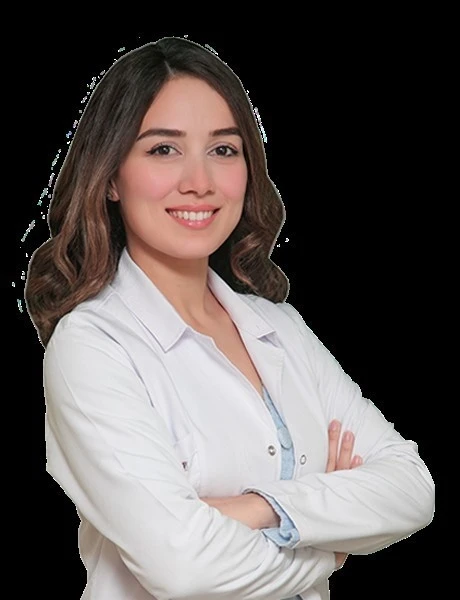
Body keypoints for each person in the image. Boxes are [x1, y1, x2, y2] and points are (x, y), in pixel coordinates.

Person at [25, 37, 435, 600]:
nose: (200, 182)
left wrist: (258, 508)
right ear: (111, 177)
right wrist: (333, 547)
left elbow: (411, 487)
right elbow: (182, 567)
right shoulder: (92, 346)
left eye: (223, 149)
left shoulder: (280, 327)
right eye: (163, 149)